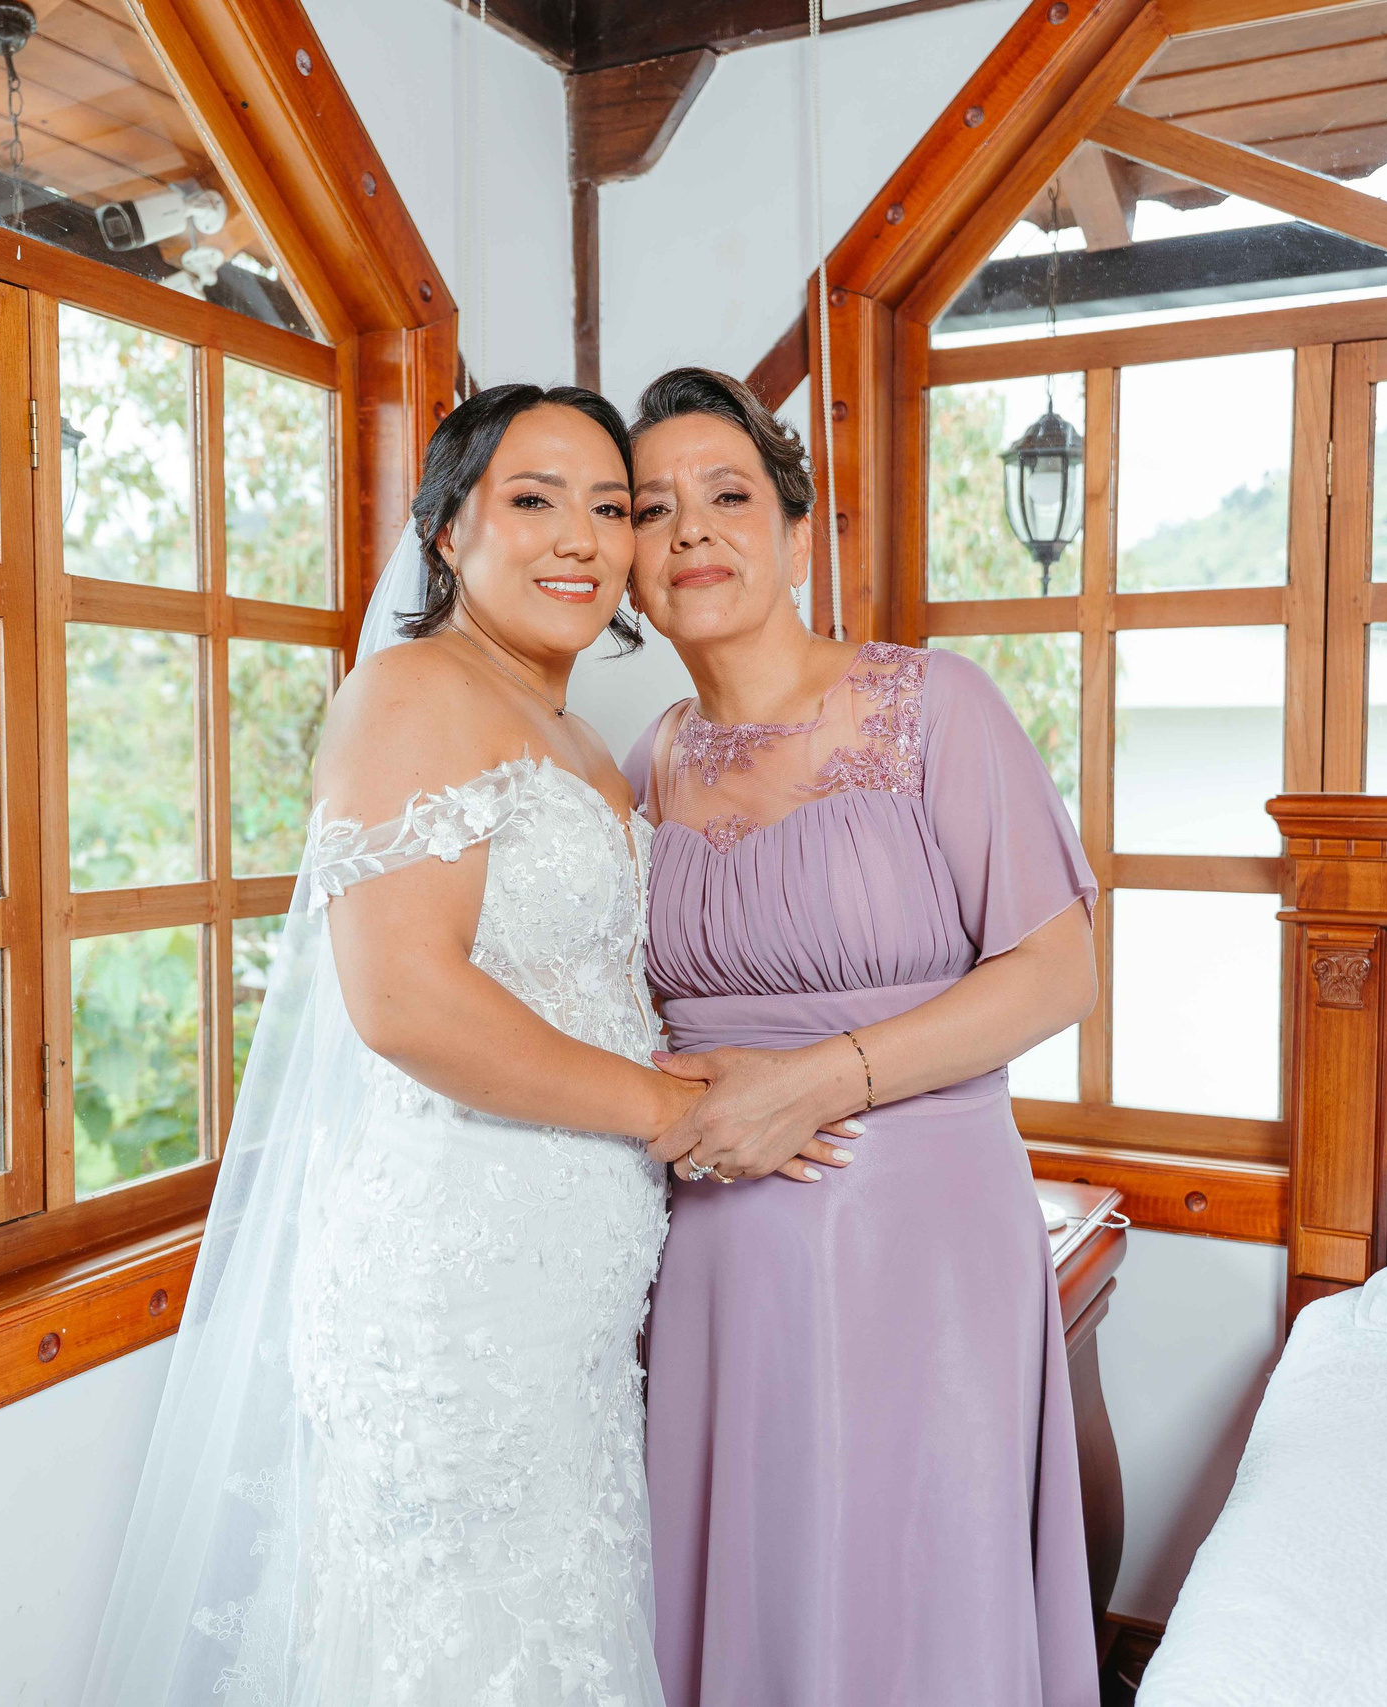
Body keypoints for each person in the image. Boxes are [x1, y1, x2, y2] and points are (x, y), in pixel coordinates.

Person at [82, 382, 853, 1707]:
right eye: (532, 500)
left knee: (560, 1626)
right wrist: (670, 1111)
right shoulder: (408, 697)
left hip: (573, 1295)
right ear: (448, 532)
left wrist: (758, 1077)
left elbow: (590, 986)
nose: (579, 538)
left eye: (609, 508)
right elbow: (407, 1003)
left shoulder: (584, 746)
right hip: (454, 1289)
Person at [624, 367, 1104, 1707]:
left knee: (915, 1592)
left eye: (727, 496)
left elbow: (1058, 973)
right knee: (748, 1605)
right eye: (652, 511)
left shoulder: (933, 706)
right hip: (717, 1263)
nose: (693, 534)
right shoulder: (643, 764)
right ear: (625, 567)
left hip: (924, 1253)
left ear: (792, 530)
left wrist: (815, 1084)